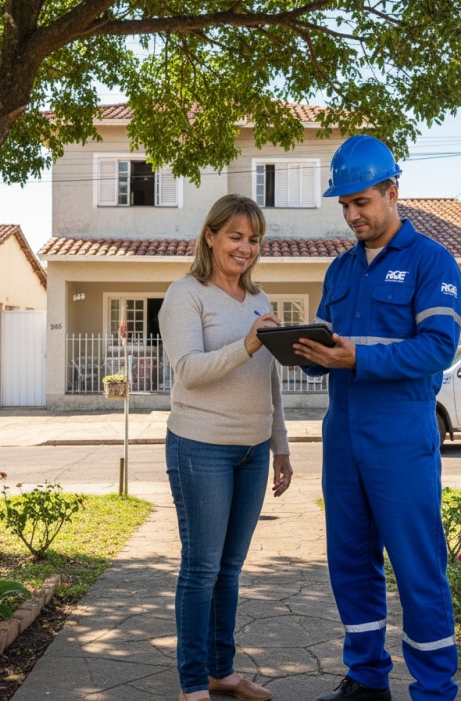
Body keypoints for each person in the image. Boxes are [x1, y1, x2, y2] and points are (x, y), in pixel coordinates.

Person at [294, 136, 461, 701]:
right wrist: (306, 351)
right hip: (343, 433)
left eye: (361, 201)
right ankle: (367, 681)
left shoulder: (431, 261)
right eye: (344, 205)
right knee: (349, 562)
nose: (351, 215)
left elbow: (438, 348)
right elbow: (330, 347)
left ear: (392, 191)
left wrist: (357, 357)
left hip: (400, 435)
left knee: (417, 567)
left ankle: (434, 690)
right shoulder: (339, 271)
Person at [159, 194, 293, 701]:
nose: (246, 247)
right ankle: (193, 683)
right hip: (201, 447)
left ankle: (223, 671)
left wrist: (280, 446)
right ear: (210, 236)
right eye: (235, 236)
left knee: (231, 569)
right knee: (201, 567)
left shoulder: (259, 300)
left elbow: (269, 379)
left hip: (253, 450)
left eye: (254, 239)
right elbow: (189, 372)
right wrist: (249, 343)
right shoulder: (185, 294)